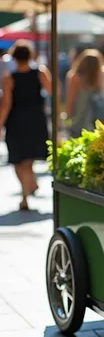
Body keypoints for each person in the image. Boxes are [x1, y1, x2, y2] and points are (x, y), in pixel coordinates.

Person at [0, 41, 51, 211]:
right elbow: (53, 91)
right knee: (28, 158)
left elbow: (6, 104)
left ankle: (25, 194)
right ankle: (29, 186)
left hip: (16, 120)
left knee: (17, 158)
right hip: (36, 119)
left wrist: (0, 124)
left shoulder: (9, 77)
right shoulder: (40, 72)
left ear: (14, 57)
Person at [65, 49, 104, 137]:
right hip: (96, 115)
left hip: (79, 113)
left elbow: (70, 98)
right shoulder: (99, 77)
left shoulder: (75, 77)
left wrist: (68, 115)